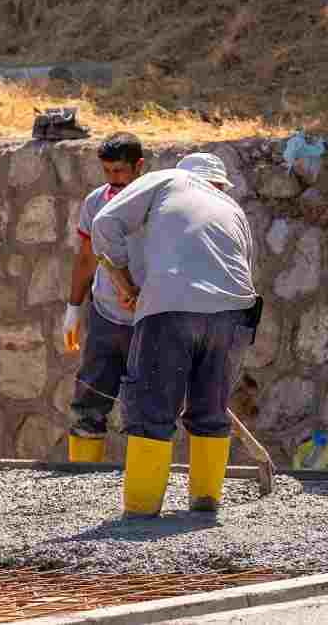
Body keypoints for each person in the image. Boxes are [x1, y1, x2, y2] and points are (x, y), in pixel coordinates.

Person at [90, 152, 259, 518]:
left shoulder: (167, 180)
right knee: (211, 411)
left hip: (170, 306)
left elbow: (104, 223)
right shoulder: (232, 208)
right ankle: (205, 504)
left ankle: (141, 510)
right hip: (234, 313)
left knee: (152, 409)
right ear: (218, 183)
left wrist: (124, 281)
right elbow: (248, 270)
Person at [61, 132, 147, 463]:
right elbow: (86, 258)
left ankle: (140, 483)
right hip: (105, 316)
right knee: (90, 400)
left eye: (120, 171)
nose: (114, 179)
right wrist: (73, 308)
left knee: (143, 406)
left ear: (138, 166)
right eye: (108, 171)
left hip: (147, 319)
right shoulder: (96, 202)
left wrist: (146, 294)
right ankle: (83, 478)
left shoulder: (158, 202)